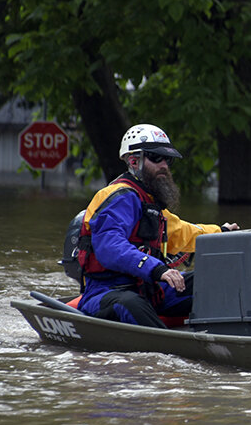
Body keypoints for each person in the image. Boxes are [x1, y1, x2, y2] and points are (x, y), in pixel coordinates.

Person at [76, 123, 239, 327]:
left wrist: (221, 232)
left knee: (212, 280)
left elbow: (183, 232)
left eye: (167, 159)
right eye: (155, 158)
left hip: (150, 291)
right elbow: (110, 247)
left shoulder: (151, 203)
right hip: (108, 292)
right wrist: (157, 269)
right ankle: (168, 353)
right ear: (134, 161)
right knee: (130, 303)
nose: (164, 165)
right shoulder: (117, 197)